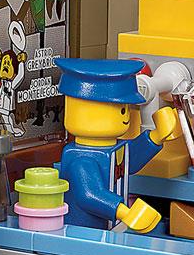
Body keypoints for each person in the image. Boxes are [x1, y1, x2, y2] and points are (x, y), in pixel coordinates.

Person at [56, 58, 176, 232]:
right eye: (121, 109)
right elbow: (89, 195)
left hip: (112, 227)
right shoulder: (81, 159)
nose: (126, 115)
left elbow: (130, 162)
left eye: (125, 108)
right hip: (86, 232)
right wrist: (125, 213)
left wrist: (156, 137)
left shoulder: (113, 148)